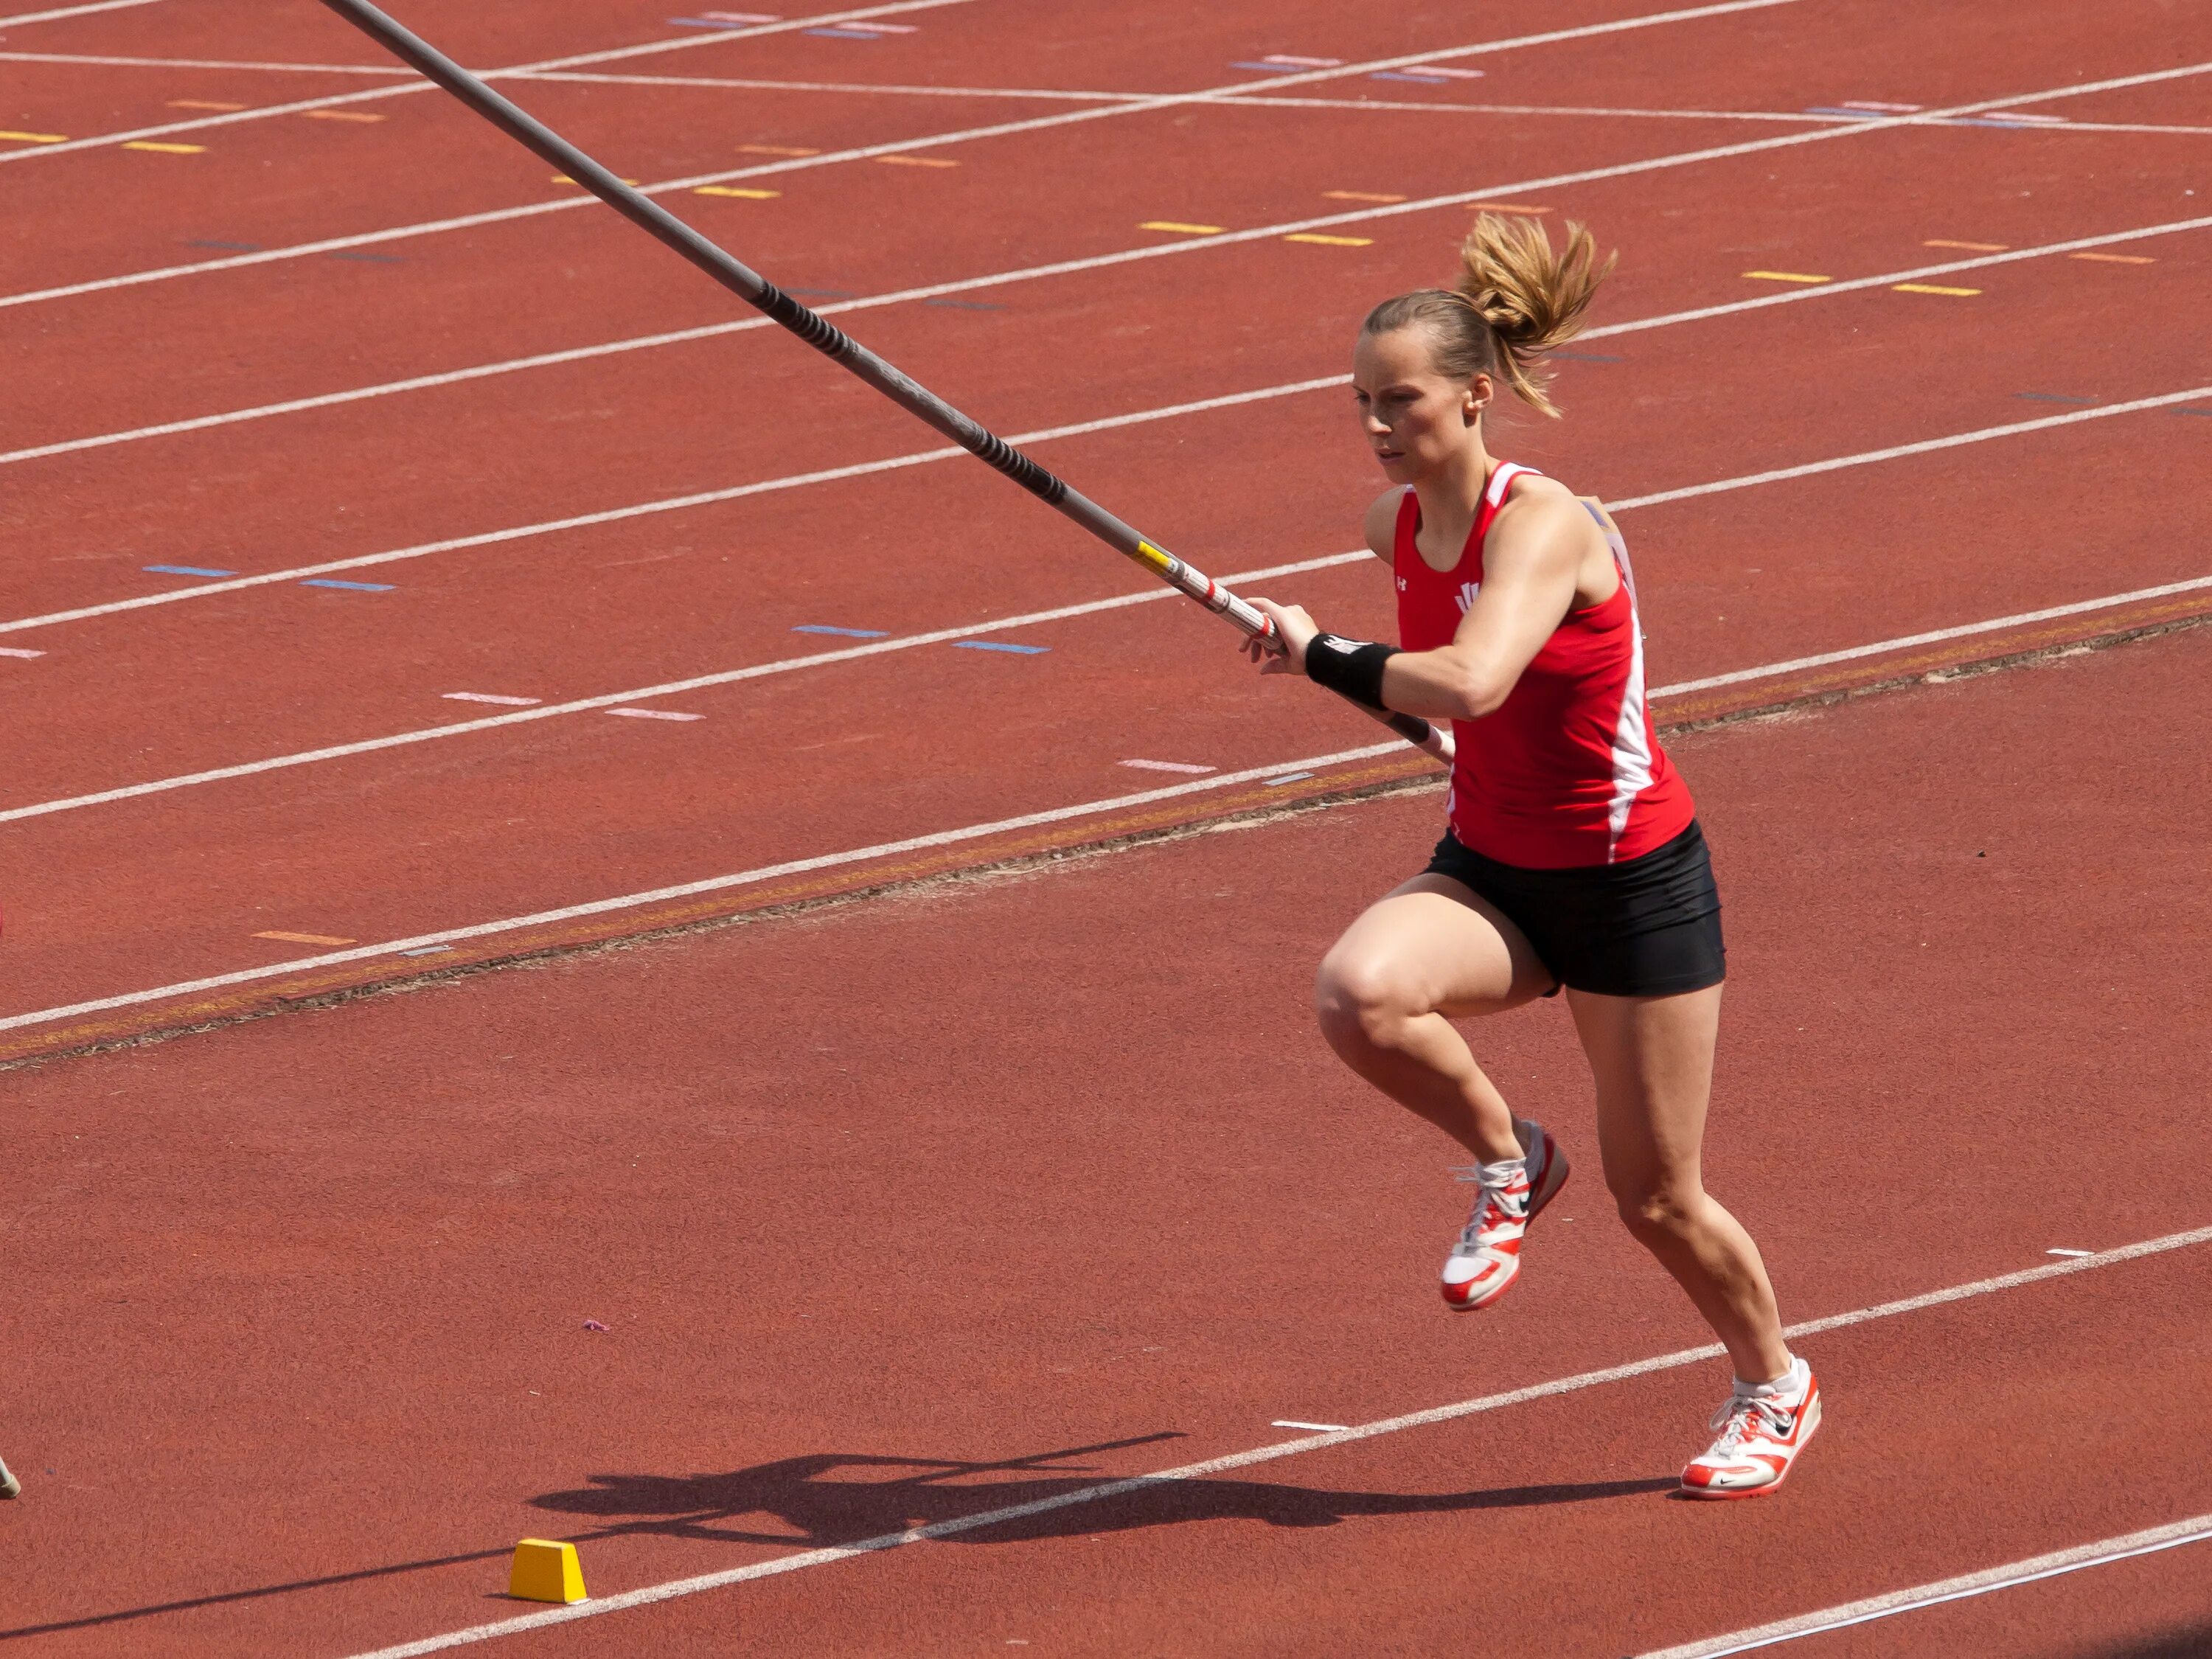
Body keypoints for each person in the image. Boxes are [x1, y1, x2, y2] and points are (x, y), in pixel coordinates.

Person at [1242, 216, 1818, 1498]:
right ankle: (1512, 1158)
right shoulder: (1395, 526)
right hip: (1496, 864)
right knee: (1360, 993)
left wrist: (1325, 649)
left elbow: (1474, 673)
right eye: (1362, 403)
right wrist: (1313, 653)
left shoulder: (1545, 521)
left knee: (1659, 1199)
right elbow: (1437, 700)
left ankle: (1773, 1381)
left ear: (1475, 395)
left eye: (1403, 400)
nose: (1381, 425)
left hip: (1628, 886)